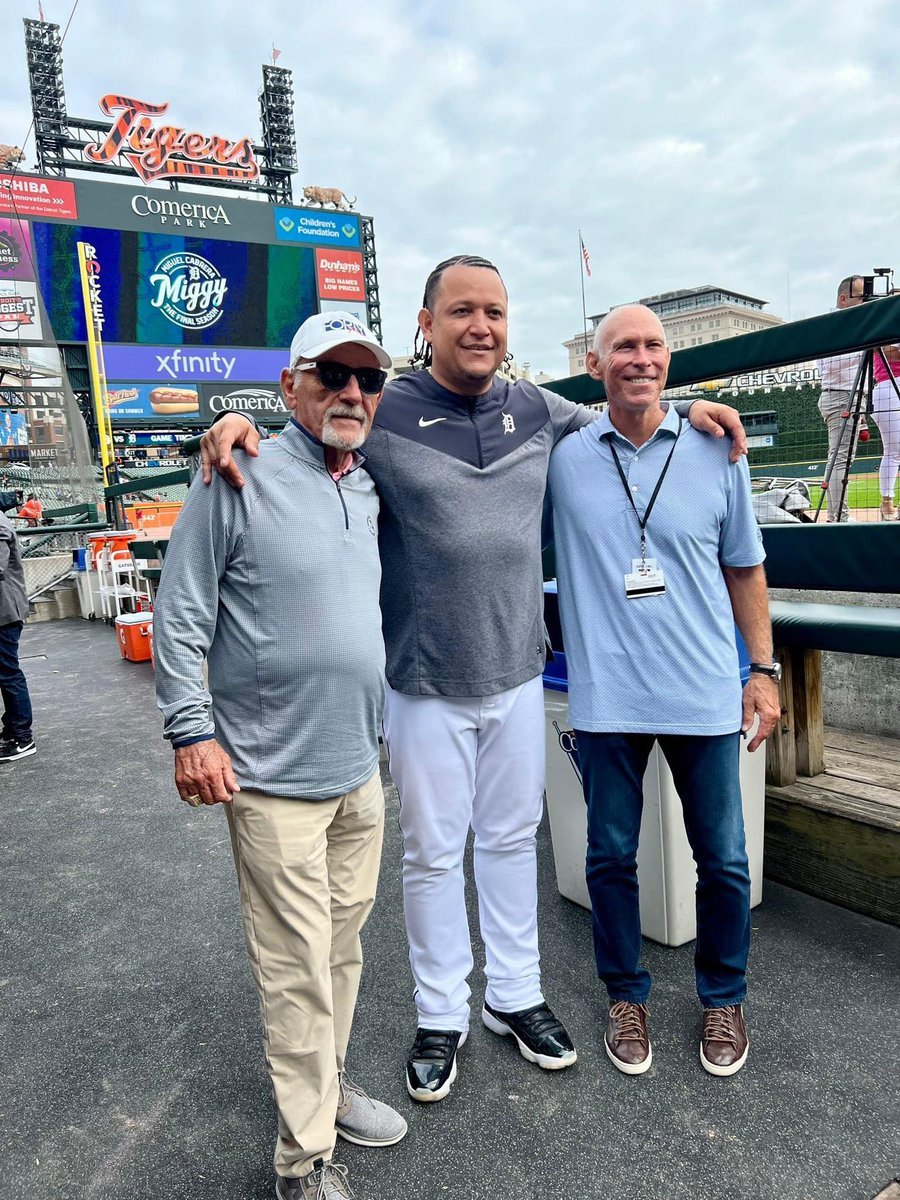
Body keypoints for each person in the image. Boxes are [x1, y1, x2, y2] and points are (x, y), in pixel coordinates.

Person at [201, 256, 749, 1103]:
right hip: (421, 677)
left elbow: (628, 406)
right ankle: (440, 1015)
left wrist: (692, 407)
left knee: (505, 843)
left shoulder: (538, 406)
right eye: (462, 311)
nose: (481, 326)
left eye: (494, 310)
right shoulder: (385, 406)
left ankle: (515, 997)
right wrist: (236, 420)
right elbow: (314, 431)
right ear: (427, 324)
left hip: (517, 671)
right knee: (429, 855)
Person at [153, 312, 406, 1200]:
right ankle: (304, 1163)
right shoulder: (237, 470)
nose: (352, 392)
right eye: (332, 375)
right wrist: (191, 731)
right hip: (269, 778)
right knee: (297, 970)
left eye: (367, 379)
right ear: (291, 385)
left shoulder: (370, 483)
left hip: (356, 771)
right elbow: (180, 613)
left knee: (342, 952)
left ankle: (328, 1092)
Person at [546, 305, 780, 1078]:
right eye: (623, 348)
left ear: (670, 360)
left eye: (652, 346)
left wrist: (764, 671)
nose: (639, 359)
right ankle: (626, 995)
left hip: (704, 690)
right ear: (596, 364)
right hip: (608, 694)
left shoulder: (718, 447)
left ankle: (723, 998)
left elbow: (745, 568)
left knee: (725, 859)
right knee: (610, 857)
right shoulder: (565, 452)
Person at [816, 275, 865, 522]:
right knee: (839, 459)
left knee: (841, 458)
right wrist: (866, 349)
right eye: (861, 297)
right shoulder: (832, 323)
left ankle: (837, 517)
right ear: (843, 298)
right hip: (839, 396)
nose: (865, 301)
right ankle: (838, 518)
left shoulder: (852, 324)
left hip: (849, 396)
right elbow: (830, 365)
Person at [0, 507, 35, 763]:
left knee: (7, 672)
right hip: (5, 609)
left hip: (5, 611)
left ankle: (23, 738)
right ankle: (13, 729)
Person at [872, 339, 900, 519]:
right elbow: (888, 351)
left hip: (890, 386)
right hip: (888, 385)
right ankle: (887, 503)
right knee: (894, 450)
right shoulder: (885, 322)